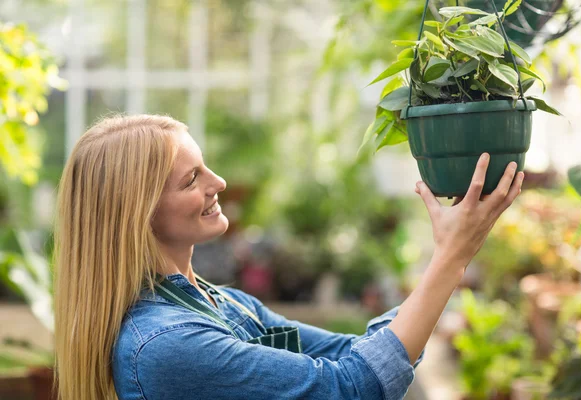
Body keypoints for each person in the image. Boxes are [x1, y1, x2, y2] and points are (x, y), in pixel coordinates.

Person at [52, 114, 524, 400]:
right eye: (191, 179)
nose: (217, 183)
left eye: (205, 165)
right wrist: (450, 259)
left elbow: (357, 355)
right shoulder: (167, 345)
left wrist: (452, 257)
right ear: (138, 214)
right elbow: (353, 388)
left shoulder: (226, 304)